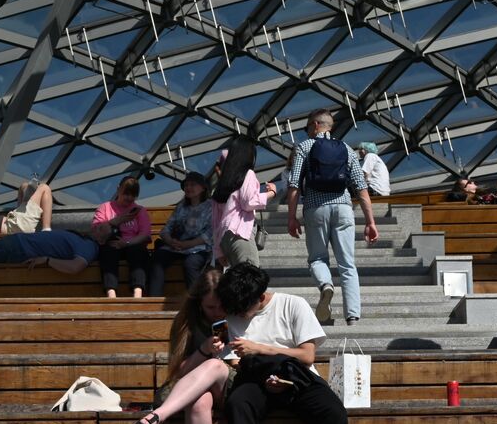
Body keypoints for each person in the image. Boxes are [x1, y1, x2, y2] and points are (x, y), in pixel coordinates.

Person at [215, 263, 347, 424]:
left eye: (243, 309)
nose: (238, 313)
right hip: (255, 379)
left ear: (260, 297)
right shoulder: (231, 314)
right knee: (238, 404)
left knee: (334, 414)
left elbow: (307, 356)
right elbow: (234, 361)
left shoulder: (293, 304)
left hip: (296, 376)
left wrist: (260, 348)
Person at [287, 110, 379, 326]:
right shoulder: (347, 149)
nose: (308, 131)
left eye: (309, 126)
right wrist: (370, 222)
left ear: (317, 124)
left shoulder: (305, 147)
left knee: (318, 258)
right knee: (348, 265)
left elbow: (294, 185)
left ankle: (326, 285)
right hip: (344, 208)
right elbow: (361, 188)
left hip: (315, 208)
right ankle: (353, 316)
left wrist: (292, 217)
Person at [134, 269, 233, 424]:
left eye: (222, 306)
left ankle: (158, 415)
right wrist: (203, 350)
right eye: (210, 307)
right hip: (191, 387)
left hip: (229, 386)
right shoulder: (186, 322)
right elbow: (178, 371)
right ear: (199, 303)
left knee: (215, 365)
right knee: (200, 403)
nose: (217, 312)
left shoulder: (238, 318)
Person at [211, 138, 275, 268]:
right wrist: (272, 193)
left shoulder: (223, 182)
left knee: (239, 278)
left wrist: (218, 251)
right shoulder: (248, 174)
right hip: (239, 234)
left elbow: (215, 221)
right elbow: (249, 202)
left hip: (225, 239)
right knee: (250, 275)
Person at [147, 172, 212, 297]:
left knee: (191, 264)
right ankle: (154, 298)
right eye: (186, 185)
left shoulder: (211, 206)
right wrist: (170, 241)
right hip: (176, 246)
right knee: (158, 258)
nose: (188, 188)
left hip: (198, 248)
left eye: (192, 185)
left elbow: (210, 233)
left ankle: (195, 300)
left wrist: (188, 244)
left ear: (203, 188)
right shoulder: (181, 207)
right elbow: (166, 229)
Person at [93, 176, 152, 299]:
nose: (129, 198)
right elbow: (97, 232)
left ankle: (138, 291)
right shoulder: (105, 207)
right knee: (108, 252)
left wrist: (127, 242)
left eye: (133, 195)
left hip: (132, 244)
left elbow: (145, 234)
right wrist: (116, 221)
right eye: (126, 194)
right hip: (112, 243)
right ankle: (111, 292)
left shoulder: (139, 211)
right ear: (118, 189)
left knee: (138, 252)